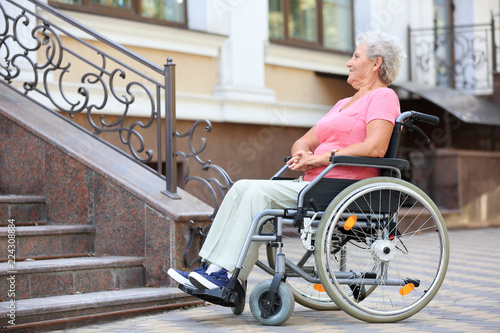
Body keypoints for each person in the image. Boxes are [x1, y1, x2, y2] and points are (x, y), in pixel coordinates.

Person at [168, 31, 406, 290]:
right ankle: (211, 268)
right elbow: (305, 140)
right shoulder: (342, 103)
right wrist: (302, 153)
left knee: (257, 193)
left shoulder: (383, 97)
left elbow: (376, 148)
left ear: (376, 63)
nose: (349, 62)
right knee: (241, 188)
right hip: (315, 184)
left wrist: (321, 158)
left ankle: (226, 276)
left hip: (341, 188)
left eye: (356, 56)